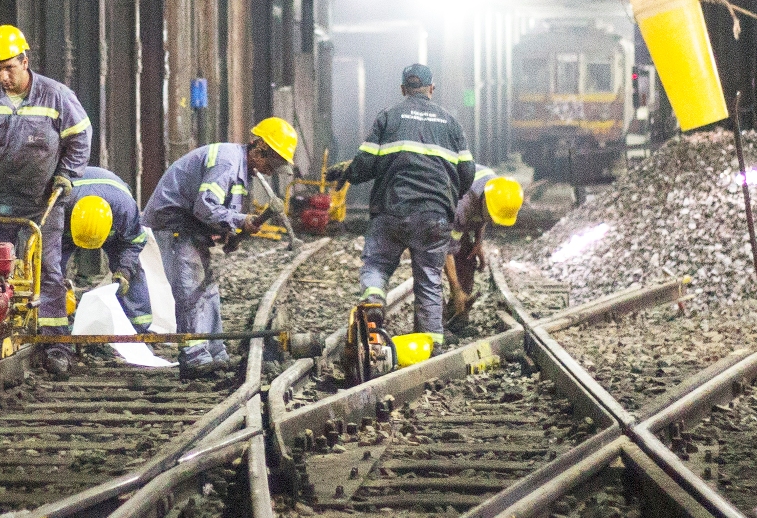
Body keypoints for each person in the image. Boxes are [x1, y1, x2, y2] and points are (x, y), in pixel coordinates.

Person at [0, 24, 91, 349]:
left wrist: (67, 176)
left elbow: (81, 137)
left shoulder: (56, 96)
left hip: (41, 203)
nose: (2, 76)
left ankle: (56, 344)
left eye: (9, 68)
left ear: (24, 61)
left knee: (47, 270)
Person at [332, 63, 474, 343]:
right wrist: (446, 197)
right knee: (430, 279)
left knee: (378, 263)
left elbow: (365, 163)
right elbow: (467, 172)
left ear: (403, 89)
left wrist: (349, 173)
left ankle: (373, 298)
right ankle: (431, 342)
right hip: (434, 215)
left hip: (391, 209)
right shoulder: (451, 123)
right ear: (431, 89)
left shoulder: (388, 117)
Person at [143, 118, 299, 375]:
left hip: (191, 225)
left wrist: (229, 234)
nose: (272, 170)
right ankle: (195, 357)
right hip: (174, 223)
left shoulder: (242, 168)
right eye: (272, 162)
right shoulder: (227, 162)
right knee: (191, 289)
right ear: (258, 147)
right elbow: (205, 206)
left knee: (209, 289)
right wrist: (242, 221)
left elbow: (219, 211)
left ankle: (215, 352)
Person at [57, 165, 154, 374]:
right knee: (51, 275)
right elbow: (50, 251)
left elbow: (135, 242)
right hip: (67, 226)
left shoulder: (125, 210)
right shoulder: (60, 206)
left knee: (132, 270)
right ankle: (54, 328)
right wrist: (58, 279)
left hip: (111, 216)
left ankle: (138, 330)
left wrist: (124, 271)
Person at [445, 168, 524, 324]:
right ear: (485, 202)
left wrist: (478, 242)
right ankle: (436, 323)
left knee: (468, 257)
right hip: (432, 215)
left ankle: (457, 313)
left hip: (466, 210)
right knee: (431, 268)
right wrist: (455, 288)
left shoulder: (497, 190)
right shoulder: (463, 206)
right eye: (492, 216)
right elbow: (445, 250)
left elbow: (483, 215)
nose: (494, 222)